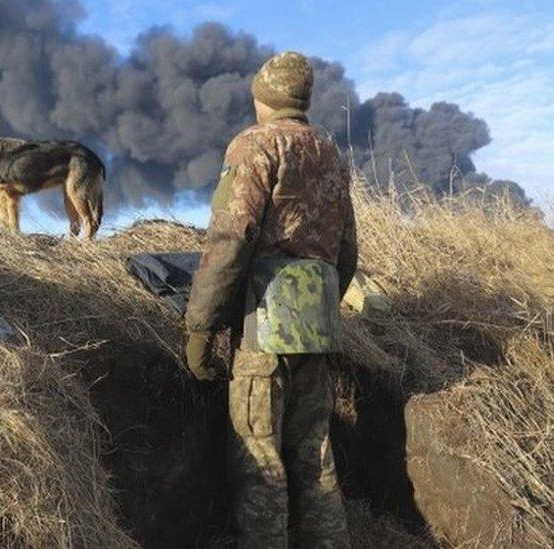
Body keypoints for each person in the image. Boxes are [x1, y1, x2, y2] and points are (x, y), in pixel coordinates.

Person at [183, 51, 357, 548]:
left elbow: (230, 239)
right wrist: (318, 304)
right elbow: (347, 251)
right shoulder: (328, 150)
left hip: (264, 330)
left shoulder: (255, 145)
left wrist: (201, 326)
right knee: (315, 458)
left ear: (263, 96)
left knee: (260, 459)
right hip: (318, 329)